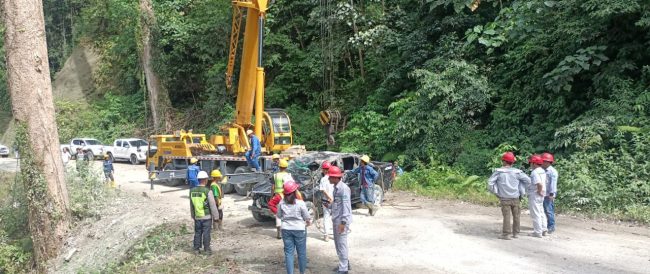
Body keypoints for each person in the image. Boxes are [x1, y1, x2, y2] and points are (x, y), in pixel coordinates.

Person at [487, 152, 531, 240]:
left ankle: (506, 234)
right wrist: (522, 189)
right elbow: (528, 180)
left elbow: (490, 183)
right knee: (517, 216)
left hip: (504, 198)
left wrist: (496, 192)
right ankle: (516, 233)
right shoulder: (517, 172)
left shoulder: (498, 172)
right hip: (515, 197)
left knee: (506, 216)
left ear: (503, 161)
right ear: (512, 162)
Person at [277, 181, 311, 274]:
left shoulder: (281, 203)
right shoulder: (300, 203)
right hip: (299, 230)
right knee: (302, 253)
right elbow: (307, 217)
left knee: (288, 254)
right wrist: (308, 222)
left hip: (286, 230)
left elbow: (279, 216)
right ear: (295, 192)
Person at [190, 171, 219, 255]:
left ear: (198, 180)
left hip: (197, 216)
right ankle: (207, 249)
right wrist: (216, 217)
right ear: (206, 180)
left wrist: (193, 215)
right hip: (206, 217)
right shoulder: (207, 191)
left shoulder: (192, 191)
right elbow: (212, 205)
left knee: (198, 233)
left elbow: (191, 205)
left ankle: (196, 249)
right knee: (206, 233)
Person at [329, 166, 352, 274]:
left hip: (341, 221)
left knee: (341, 244)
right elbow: (337, 204)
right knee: (338, 244)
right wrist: (329, 205)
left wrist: (343, 222)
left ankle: (343, 269)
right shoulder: (336, 187)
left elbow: (346, 207)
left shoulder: (344, 189)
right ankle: (345, 263)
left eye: (330, 177)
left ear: (335, 177)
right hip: (336, 219)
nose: (328, 179)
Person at [528, 154, 548, 238]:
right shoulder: (542, 171)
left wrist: (539, 191)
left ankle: (537, 232)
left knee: (535, 213)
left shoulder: (535, 172)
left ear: (534, 163)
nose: (530, 165)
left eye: (531, 163)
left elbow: (539, 183)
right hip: (542, 194)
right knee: (541, 212)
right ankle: (544, 229)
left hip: (536, 194)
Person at [542, 152, 559, 234]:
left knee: (549, 210)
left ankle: (551, 226)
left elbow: (553, 184)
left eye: (544, 161)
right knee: (543, 210)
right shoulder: (542, 170)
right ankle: (545, 225)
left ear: (548, 162)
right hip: (543, 193)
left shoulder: (552, 172)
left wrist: (552, 194)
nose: (542, 163)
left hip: (549, 194)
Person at [319, 161, 334, 241]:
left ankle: (326, 235)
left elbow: (323, 190)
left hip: (327, 200)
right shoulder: (333, 177)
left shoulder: (323, 179)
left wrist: (330, 198)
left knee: (327, 217)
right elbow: (324, 190)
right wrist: (331, 198)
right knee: (333, 217)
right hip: (330, 200)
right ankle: (328, 234)